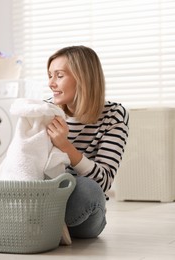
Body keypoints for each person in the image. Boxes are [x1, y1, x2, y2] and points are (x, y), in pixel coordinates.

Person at [46, 46, 129, 239]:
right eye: (50, 75)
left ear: (83, 78)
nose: (51, 83)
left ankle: (44, 227)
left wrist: (66, 147)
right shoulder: (46, 111)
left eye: (59, 75)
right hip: (48, 200)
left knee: (87, 189)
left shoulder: (114, 115)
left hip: (84, 213)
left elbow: (103, 181)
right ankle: (47, 228)